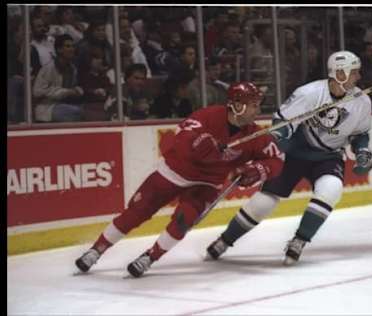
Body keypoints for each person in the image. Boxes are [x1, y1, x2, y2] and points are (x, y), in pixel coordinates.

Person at [75, 82, 285, 277]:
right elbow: (182, 138)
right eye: (253, 105)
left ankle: (150, 256)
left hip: (207, 183)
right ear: (237, 105)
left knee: (184, 219)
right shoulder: (208, 116)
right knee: (137, 211)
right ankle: (97, 249)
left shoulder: (255, 135)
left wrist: (259, 170)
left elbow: (277, 159)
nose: (258, 111)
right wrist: (203, 145)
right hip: (174, 171)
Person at [206, 50, 372, 265]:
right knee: (264, 201)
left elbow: (360, 134)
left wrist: (362, 151)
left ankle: (299, 240)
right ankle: (225, 240)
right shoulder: (309, 93)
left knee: (331, 188)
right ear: (340, 74)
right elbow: (282, 123)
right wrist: (279, 139)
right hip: (293, 153)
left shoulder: (362, 101)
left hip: (328, 157)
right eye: (354, 73)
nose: (359, 77)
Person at [33, 34, 85, 122]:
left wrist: (77, 90)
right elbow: (37, 92)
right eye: (68, 46)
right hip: (47, 107)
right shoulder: (48, 68)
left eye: (73, 46)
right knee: (76, 112)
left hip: (64, 104)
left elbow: (72, 88)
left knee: (85, 109)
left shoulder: (72, 68)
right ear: (59, 49)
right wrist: (65, 92)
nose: (72, 49)